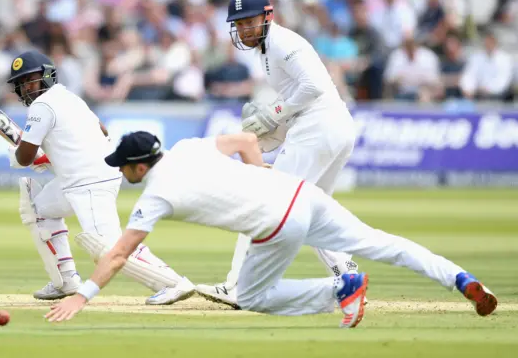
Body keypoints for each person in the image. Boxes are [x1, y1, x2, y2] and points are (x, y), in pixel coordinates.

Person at [44, 131, 497, 327]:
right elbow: (244, 142)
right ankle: (462, 279)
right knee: (384, 243)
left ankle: (340, 291)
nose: (122, 174)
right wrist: (262, 179)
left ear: (139, 165)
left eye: (124, 168)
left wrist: (83, 294)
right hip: (299, 192)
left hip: (276, 220)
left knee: (253, 296)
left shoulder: (154, 196)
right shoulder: (186, 148)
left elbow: (120, 252)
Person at [194, 0, 359, 308]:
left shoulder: (282, 41)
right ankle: (347, 276)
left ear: (268, 16)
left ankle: (237, 286)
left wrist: (275, 113)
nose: (243, 29)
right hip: (332, 127)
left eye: (249, 21)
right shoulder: (268, 49)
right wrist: (278, 127)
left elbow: (313, 86)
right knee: (313, 212)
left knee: (262, 203)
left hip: (318, 126)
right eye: (238, 24)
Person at [6, 51, 194, 304]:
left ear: (46, 76)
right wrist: (48, 157)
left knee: (109, 246)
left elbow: (25, 158)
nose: (27, 87)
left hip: (89, 181)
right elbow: (100, 129)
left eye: (31, 80)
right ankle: (66, 281)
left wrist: (17, 156)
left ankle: (173, 283)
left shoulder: (42, 106)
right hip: (84, 176)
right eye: (22, 83)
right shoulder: (68, 96)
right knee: (39, 209)